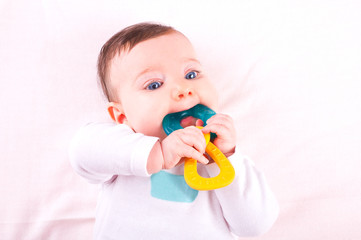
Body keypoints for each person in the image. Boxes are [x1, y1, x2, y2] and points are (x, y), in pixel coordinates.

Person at [69, 22, 279, 239]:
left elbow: (255, 226)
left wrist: (225, 157)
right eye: (154, 85)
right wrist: (159, 153)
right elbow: (80, 151)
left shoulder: (221, 157)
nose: (183, 90)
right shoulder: (121, 150)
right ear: (122, 116)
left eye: (191, 74)